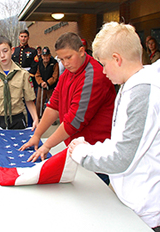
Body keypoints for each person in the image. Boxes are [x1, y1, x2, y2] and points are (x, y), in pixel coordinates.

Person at [68, 22, 160, 232]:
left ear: (117, 59)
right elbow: (120, 142)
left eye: (103, 64)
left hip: (144, 206)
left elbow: (122, 158)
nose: (103, 71)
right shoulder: (131, 85)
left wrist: (82, 153)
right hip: (133, 196)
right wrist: (90, 147)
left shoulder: (143, 93)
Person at [19, 32, 116, 184]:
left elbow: (74, 121)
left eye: (69, 57)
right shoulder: (69, 72)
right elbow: (53, 105)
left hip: (95, 153)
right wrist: (37, 135)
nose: (65, 63)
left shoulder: (93, 76)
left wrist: (47, 145)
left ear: (82, 51)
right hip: (77, 150)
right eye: (61, 59)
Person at [0, 36, 38, 137]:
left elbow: (29, 100)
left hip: (17, 120)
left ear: (12, 50)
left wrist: (36, 119)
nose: (2, 56)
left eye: (5, 51)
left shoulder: (23, 74)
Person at [12, 30, 39, 127]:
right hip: (16, 80)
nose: (23, 38)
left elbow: (35, 65)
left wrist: (27, 76)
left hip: (29, 80)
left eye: (25, 36)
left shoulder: (33, 51)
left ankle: (31, 125)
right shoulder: (14, 50)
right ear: (19, 37)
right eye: (21, 36)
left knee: (30, 103)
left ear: (28, 38)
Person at [35, 47, 59, 118]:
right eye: (44, 56)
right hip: (41, 86)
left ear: (50, 55)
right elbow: (37, 74)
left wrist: (48, 83)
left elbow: (55, 76)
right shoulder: (39, 63)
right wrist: (41, 82)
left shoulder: (54, 63)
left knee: (52, 102)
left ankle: (52, 118)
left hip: (51, 86)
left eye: (47, 55)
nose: (45, 57)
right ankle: (39, 116)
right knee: (39, 101)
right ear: (42, 56)